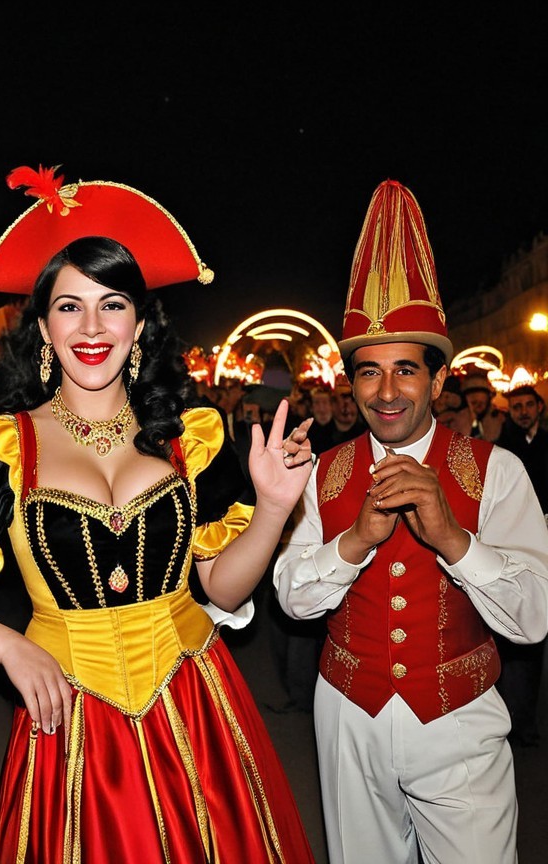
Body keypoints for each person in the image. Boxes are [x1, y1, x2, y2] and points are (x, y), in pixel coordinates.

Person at [0, 165, 317, 862]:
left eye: (112, 304)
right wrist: (11, 647)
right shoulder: (6, 445)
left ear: (142, 324)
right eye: (69, 307)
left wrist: (273, 511)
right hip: (72, 718)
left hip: (197, 705)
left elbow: (221, 588)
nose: (91, 327)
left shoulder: (190, 435)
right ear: (41, 326)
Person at [273, 180, 548, 864]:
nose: (387, 392)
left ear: (437, 377)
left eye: (405, 371)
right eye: (368, 373)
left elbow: (535, 617)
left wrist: (454, 539)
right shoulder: (323, 470)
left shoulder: (496, 471)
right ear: (351, 382)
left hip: (460, 727)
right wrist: (355, 542)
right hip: (348, 722)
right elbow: (291, 596)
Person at [494, 384, 548, 746]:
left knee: (534, 633)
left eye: (529, 405)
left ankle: (525, 718)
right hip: (510, 545)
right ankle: (506, 718)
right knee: (509, 629)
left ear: (539, 407)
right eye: (517, 406)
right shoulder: (502, 448)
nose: (523, 411)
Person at [461, 371, 504, 441]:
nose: (477, 406)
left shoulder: (501, 420)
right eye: (474, 403)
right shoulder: (456, 421)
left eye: (481, 403)